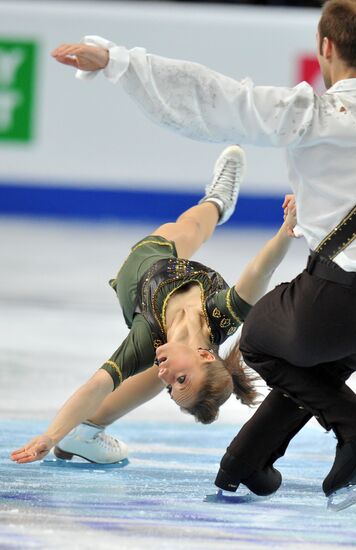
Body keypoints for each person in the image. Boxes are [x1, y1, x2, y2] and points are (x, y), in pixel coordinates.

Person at [46, 0, 356, 502]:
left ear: (325, 46)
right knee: (311, 364)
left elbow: (214, 100)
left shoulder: (312, 114)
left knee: (256, 339)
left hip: (330, 310)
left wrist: (120, 62)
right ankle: (248, 460)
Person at [11, 145, 299, 465]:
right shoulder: (223, 314)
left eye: (172, 389)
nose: (168, 377)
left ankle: (85, 431)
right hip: (174, 267)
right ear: (205, 354)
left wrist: (49, 436)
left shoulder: (147, 338)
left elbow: (97, 384)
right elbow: (262, 269)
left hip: (141, 272)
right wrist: (288, 227)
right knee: (193, 227)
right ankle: (218, 200)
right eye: (181, 380)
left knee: (151, 367)